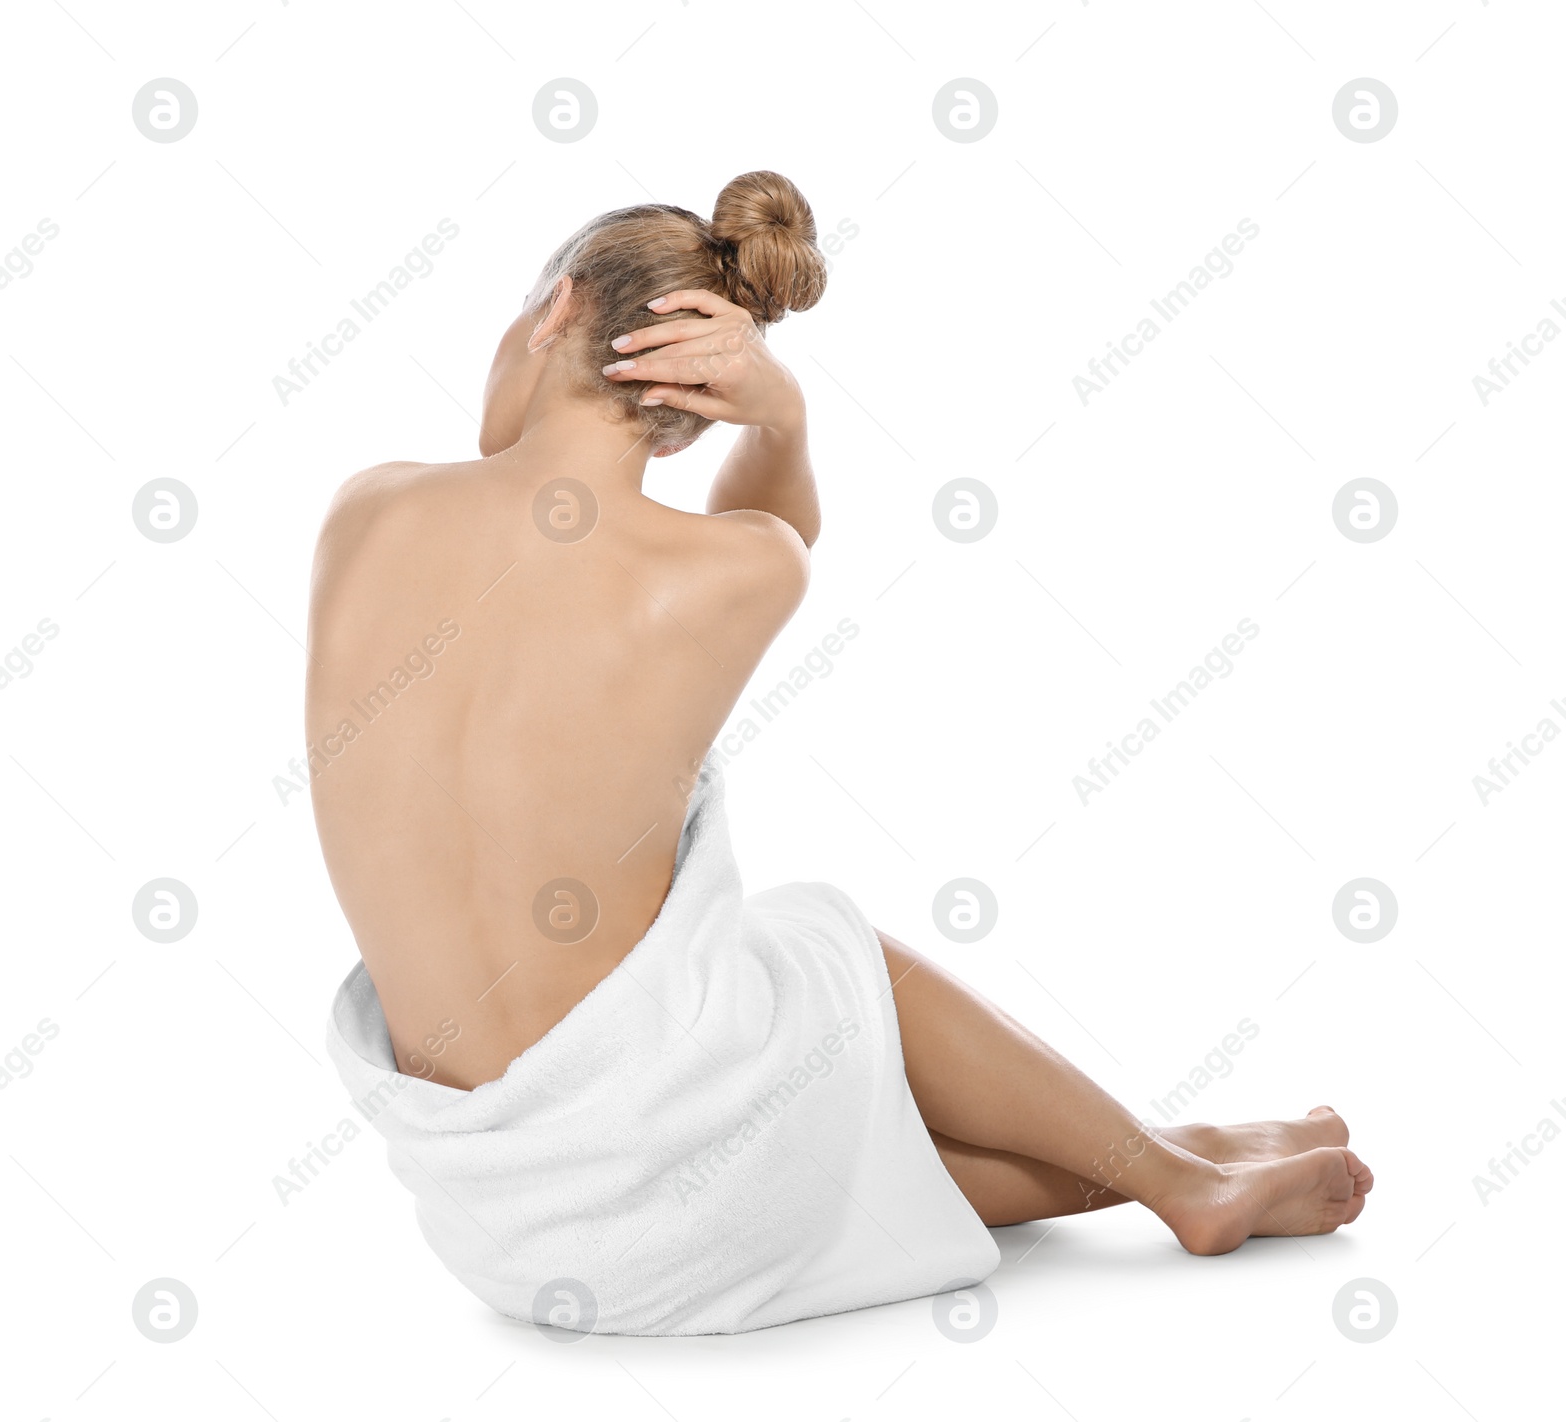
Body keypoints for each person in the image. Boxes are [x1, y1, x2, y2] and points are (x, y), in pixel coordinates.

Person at [309, 171, 1370, 1334]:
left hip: (509, 1232)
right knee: (818, 940)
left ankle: (1189, 1152)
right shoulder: (731, 576)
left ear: (557, 306)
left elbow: (497, 452)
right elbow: (781, 531)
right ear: (700, 403)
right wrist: (783, 415)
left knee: (787, 1148)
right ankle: (1176, 1173)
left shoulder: (366, 512)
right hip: (677, 1196)